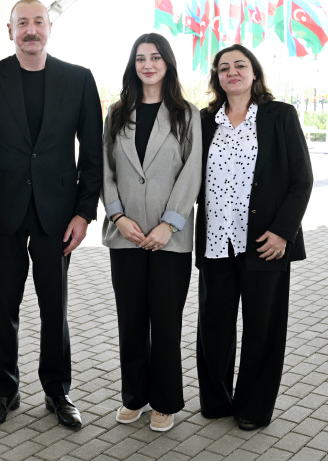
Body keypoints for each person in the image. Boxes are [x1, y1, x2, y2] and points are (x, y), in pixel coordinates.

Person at [0, 0, 103, 431]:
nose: (30, 30)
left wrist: (83, 213)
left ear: (49, 28)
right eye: (22, 23)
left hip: (57, 215)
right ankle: (4, 391)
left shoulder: (78, 80)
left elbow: (92, 154)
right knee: (4, 305)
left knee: (53, 306)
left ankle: (58, 391)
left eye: (37, 22)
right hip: (1, 214)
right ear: (10, 31)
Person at [194, 45, 313, 431]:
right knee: (214, 327)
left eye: (239, 65)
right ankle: (216, 401)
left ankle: (254, 408)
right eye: (224, 67)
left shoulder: (280, 116)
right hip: (216, 242)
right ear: (217, 77)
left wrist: (283, 232)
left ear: (254, 73)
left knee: (263, 329)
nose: (232, 72)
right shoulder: (204, 120)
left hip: (265, 243)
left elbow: (301, 179)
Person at [101, 33, 202, 432]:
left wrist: (169, 223)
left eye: (156, 57)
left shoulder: (185, 113)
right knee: (130, 321)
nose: (148, 64)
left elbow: (192, 172)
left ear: (168, 64)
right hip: (125, 236)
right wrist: (117, 217)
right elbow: (105, 171)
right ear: (133, 65)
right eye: (141, 58)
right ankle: (134, 397)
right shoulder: (116, 112)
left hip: (169, 239)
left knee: (164, 323)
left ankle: (164, 401)